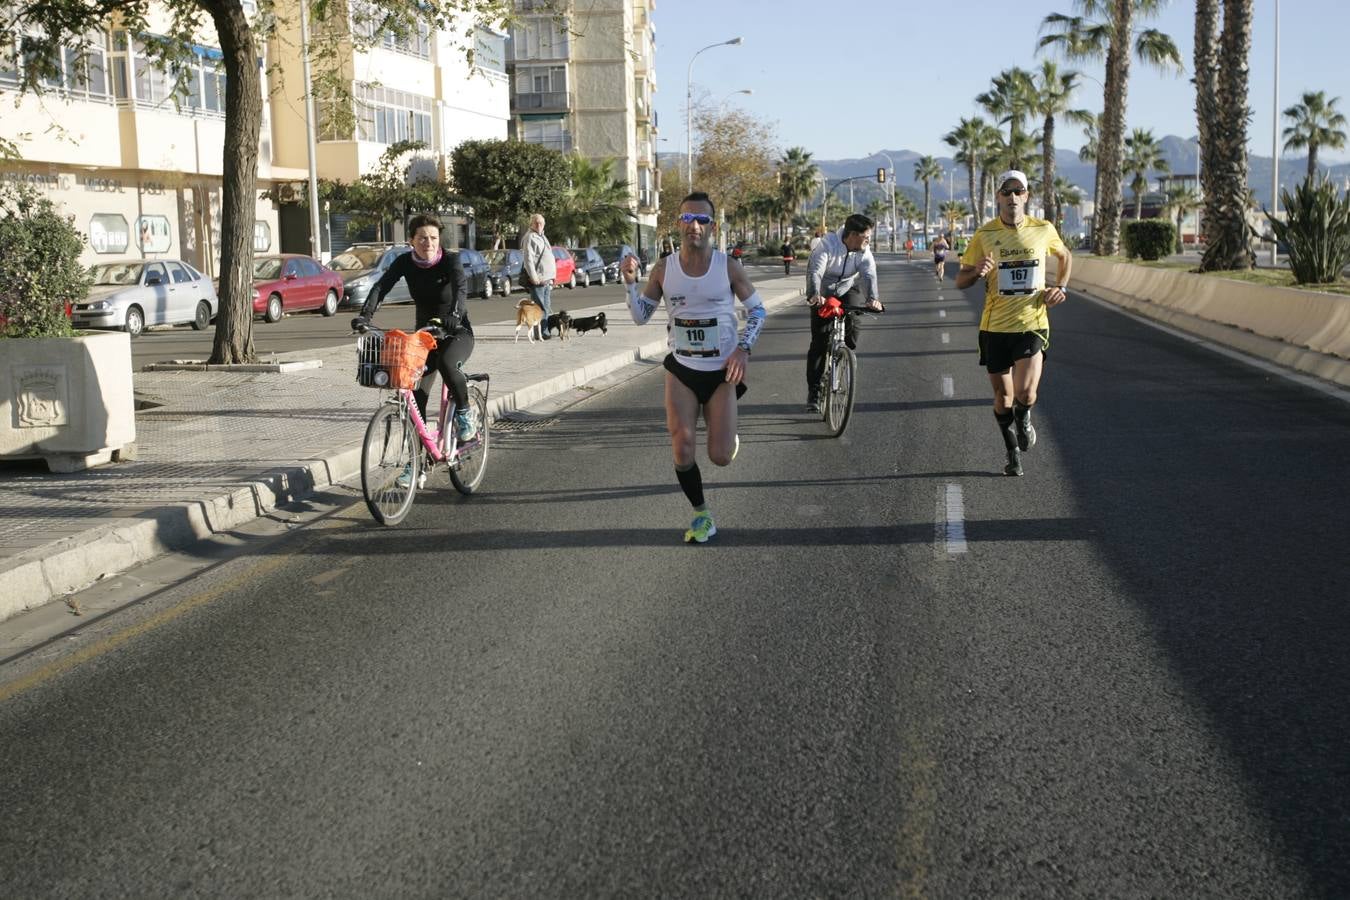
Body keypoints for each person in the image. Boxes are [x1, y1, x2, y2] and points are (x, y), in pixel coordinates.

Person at [620, 191, 767, 544]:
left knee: (719, 457)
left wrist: (743, 350)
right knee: (682, 447)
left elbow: (758, 311)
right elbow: (641, 317)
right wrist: (629, 285)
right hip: (682, 368)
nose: (694, 226)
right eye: (688, 219)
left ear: (712, 226)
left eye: (702, 220)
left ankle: (727, 435)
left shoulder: (727, 266)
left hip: (722, 373)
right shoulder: (663, 268)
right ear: (679, 224)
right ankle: (703, 515)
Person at [954, 169, 1072, 477]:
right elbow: (960, 281)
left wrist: (1060, 288)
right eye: (1006, 191)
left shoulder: (1043, 229)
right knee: (1003, 397)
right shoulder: (984, 235)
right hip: (994, 328)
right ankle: (1012, 454)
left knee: (1026, 394)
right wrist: (977, 271)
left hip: (1032, 322)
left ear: (1026, 196)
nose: (1012, 197)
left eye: (1018, 191)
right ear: (998, 198)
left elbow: (1065, 256)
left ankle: (1025, 418)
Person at [352, 214, 478, 446]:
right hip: (424, 337)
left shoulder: (451, 261)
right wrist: (365, 316)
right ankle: (416, 460)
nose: (428, 243)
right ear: (411, 240)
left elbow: (460, 289)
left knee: (447, 364)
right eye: (422, 238)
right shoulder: (404, 263)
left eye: (433, 238)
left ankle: (464, 412)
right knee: (415, 397)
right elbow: (382, 287)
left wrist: (455, 316)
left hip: (456, 331)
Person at [803, 213, 883, 412]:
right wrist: (814, 295)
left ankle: (843, 356)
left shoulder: (864, 251)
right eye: (866, 237)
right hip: (823, 291)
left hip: (848, 288)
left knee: (854, 324)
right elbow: (815, 272)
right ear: (853, 235)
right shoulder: (827, 245)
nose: (868, 241)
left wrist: (873, 298)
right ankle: (814, 391)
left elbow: (868, 274)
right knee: (819, 341)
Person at [521, 213, 557, 340]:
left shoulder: (542, 236)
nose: (539, 225)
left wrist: (553, 276)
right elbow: (528, 259)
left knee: (546, 307)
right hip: (538, 280)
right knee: (539, 308)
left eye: (541, 223)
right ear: (531, 224)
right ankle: (539, 334)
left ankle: (545, 331)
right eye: (536, 222)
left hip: (546, 279)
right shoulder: (530, 237)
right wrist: (534, 277)